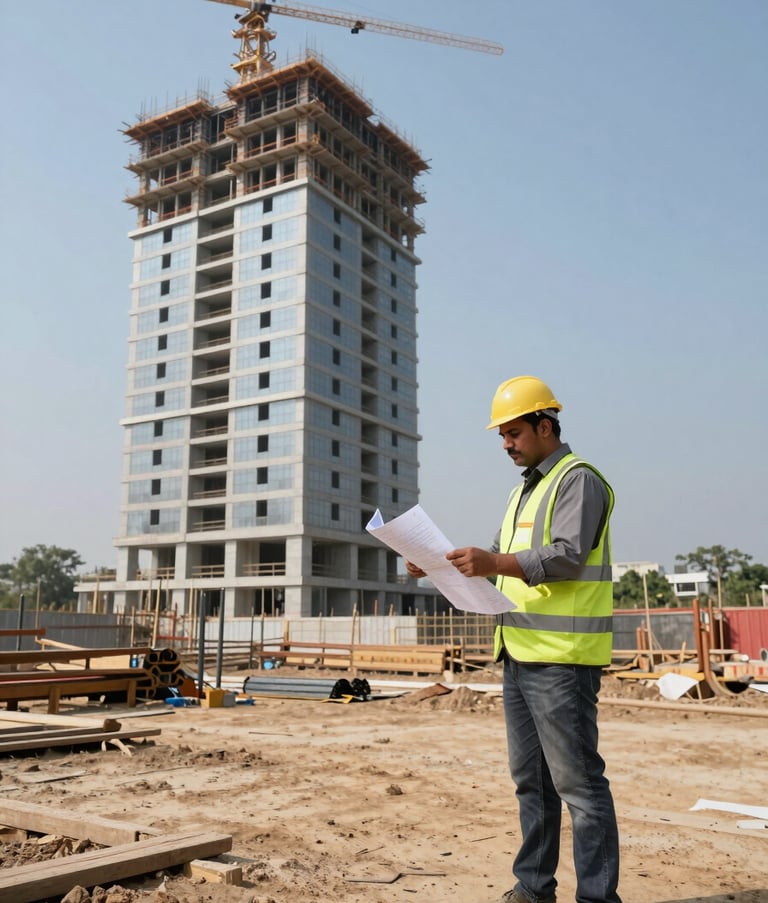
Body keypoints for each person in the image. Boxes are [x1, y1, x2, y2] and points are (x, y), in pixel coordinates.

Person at [406, 375, 622, 903]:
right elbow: (501, 571)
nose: (506, 444)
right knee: (533, 783)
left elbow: (567, 556)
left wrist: (495, 560)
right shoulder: (521, 492)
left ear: (545, 426)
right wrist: (440, 567)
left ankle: (597, 897)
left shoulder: (578, 480)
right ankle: (533, 888)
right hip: (520, 656)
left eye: (513, 433)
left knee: (579, 786)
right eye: (501, 435)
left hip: (563, 662)